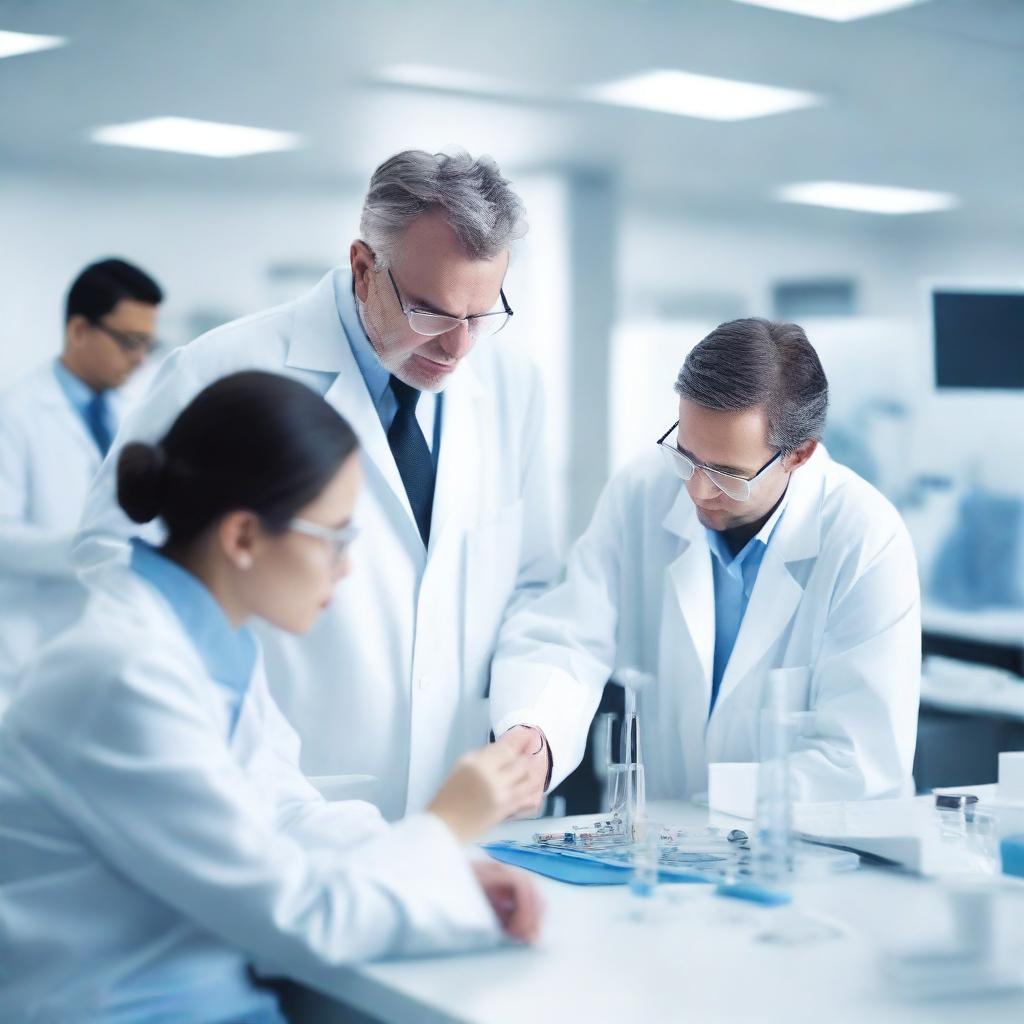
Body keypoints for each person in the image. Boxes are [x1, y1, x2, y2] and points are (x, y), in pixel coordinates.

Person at [0, 371, 542, 1023]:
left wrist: (447, 870)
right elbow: (302, 914)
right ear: (243, 537)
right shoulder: (125, 674)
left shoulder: (205, 643)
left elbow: (282, 812)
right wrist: (444, 827)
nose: (346, 567)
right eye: (335, 537)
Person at [75, 151, 558, 818]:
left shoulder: (512, 384)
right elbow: (116, 572)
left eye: (481, 315)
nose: (458, 349)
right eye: (431, 312)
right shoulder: (223, 369)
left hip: (463, 813)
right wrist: (238, 745)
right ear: (364, 268)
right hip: (277, 797)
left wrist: (533, 718)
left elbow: (533, 584)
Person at [490, 318, 921, 805]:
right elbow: (567, 631)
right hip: (667, 852)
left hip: (811, 857)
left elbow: (861, 764)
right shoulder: (643, 493)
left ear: (799, 453)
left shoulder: (865, 537)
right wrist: (534, 731)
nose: (697, 491)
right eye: (687, 456)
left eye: (728, 475)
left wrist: (706, 805)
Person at [0, 258, 162, 711]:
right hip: (30, 651)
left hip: (112, 644)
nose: (140, 358)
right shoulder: (14, 415)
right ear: (78, 331)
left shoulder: (135, 409)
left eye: (149, 343)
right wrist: (97, 547)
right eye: (129, 342)